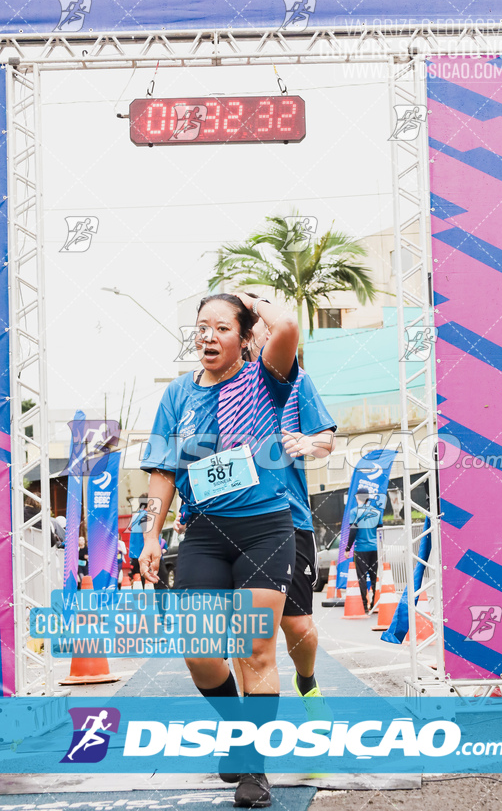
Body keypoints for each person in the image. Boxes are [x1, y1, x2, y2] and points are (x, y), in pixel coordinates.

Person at [138, 292, 298, 809]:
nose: (208, 336)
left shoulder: (263, 379)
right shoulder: (178, 396)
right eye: (201, 327)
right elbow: (164, 469)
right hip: (203, 532)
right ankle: (238, 733)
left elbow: (289, 325)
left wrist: (254, 301)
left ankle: (255, 767)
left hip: (264, 530)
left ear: (245, 336)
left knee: (256, 649)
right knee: (200, 651)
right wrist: (150, 535)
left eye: (222, 327)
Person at [244, 310, 336, 707]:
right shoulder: (215, 387)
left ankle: (307, 681)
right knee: (247, 632)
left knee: (297, 625)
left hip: (288, 519)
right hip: (233, 522)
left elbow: (326, 440)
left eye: (261, 324)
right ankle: (248, 730)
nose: (258, 333)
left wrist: (307, 443)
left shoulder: (295, 381)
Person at [344, 484, 384, 613]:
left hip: (361, 549)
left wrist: (348, 548)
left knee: (361, 577)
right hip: (375, 548)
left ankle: (363, 604)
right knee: (374, 576)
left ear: (358, 498)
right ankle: (374, 603)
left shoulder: (355, 512)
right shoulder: (377, 512)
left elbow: (353, 531)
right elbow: (380, 532)